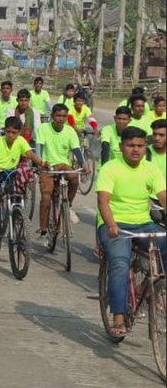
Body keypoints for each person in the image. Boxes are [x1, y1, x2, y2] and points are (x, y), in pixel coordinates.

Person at [97, 126, 166, 336]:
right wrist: (111, 226)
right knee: (119, 262)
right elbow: (103, 201)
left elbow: (163, 196)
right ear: (121, 146)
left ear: (146, 147)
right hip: (115, 225)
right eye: (130, 145)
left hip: (144, 223)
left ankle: (143, 288)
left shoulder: (151, 169)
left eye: (140, 146)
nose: (135, 150)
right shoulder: (110, 168)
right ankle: (118, 317)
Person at [0, 116, 44, 249]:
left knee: (17, 193)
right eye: (8, 131)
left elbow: (29, 153)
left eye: (14, 132)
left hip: (11, 172)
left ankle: (17, 214)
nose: (10, 135)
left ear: (19, 132)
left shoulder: (21, 141)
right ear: (4, 130)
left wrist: (41, 163)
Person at [36, 104, 90, 236]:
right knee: (46, 198)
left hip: (63, 165)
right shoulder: (43, 128)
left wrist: (84, 164)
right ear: (52, 116)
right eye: (58, 116)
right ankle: (43, 230)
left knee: (73, 178)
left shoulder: (70, 131)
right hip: (47, 167)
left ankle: (68, 203)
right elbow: (39, 148)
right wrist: (40, 163)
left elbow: (76, 149)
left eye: (64, 116)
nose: (61, 119)